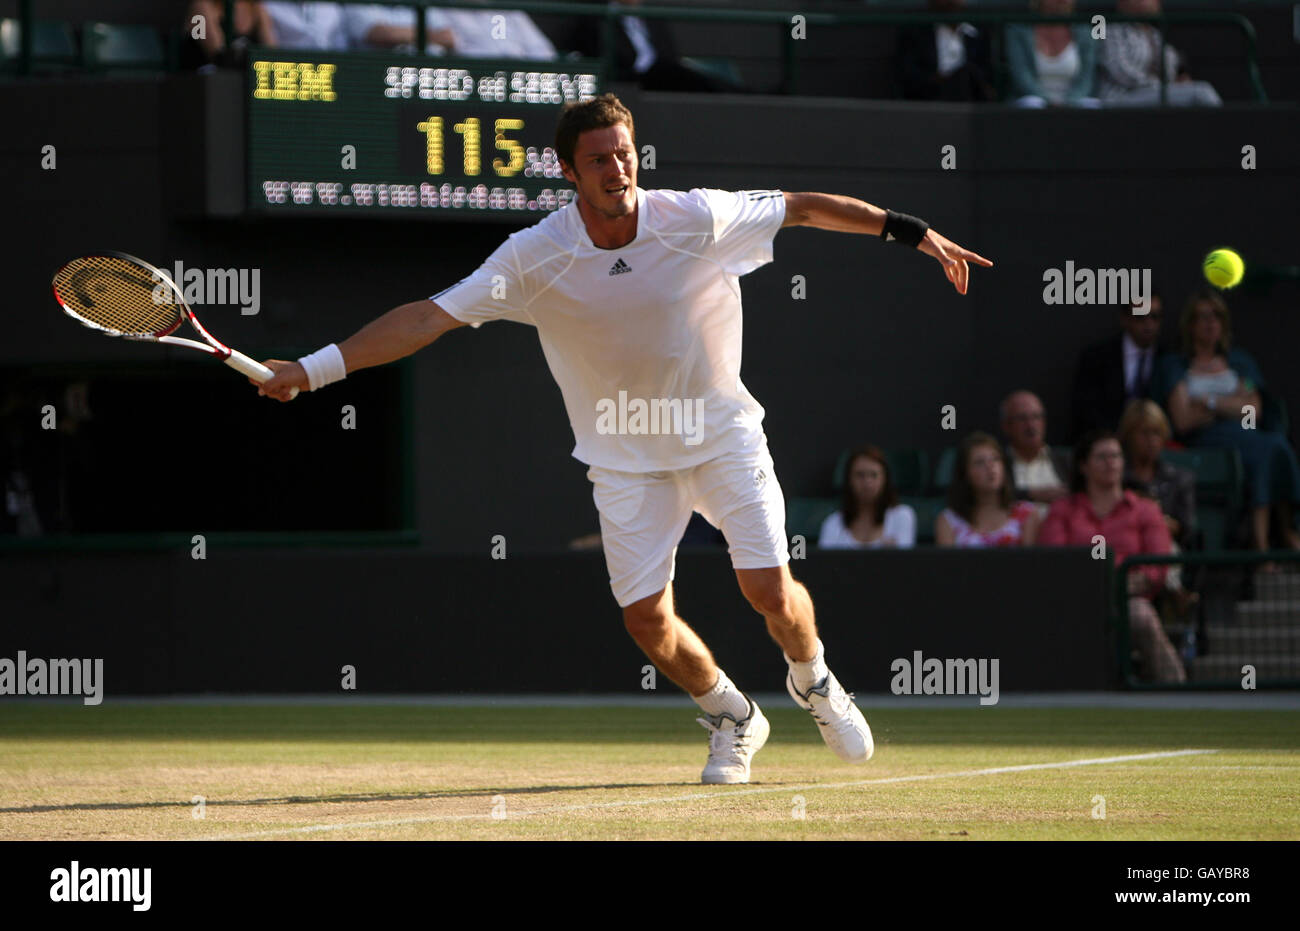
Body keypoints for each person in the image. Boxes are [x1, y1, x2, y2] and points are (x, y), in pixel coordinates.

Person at [253, 93, 993, 784]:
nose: (617, 169)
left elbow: (799, 208)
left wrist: (911, 231)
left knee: (768, 589)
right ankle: (733, 715)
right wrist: (312, 371)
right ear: (567, 171)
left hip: (721, 437)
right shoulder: (534, 255)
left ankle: (815, 679)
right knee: (647, 621)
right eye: (599, 159)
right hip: (624, 460)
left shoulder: (694, 217)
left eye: (625, 153)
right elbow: (427, 317)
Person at [1149, 290, 1300, 562]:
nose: (1211, 323)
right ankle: (1270, 544)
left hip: (1246, 434)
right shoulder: (1176, 365)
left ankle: (1276, 539)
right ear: (1190, 325)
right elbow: (1183, 420)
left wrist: (1208, 402)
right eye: (1203, 317)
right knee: (1269, 449)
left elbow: (1252, 412)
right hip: (1206, 443)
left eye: (1217, 316)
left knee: (1273, 446)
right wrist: (1233, 403)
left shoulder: (1240, 363)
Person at [1039, 430, 1185, 682]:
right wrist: (1096, 585)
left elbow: (1159, 564)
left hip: (1129, 598)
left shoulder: (1145, 509)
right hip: (1075, 599)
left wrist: (1129, 584)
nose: (1110, 463)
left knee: (1142, 616)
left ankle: (1177, 689)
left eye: (1116, 456)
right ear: (1083, 466)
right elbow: (1053, 559)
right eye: (1102, 457)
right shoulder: (1062, 510)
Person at [562, 0, 746, 93]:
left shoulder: (652, 18)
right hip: (631, 79)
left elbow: (668, 53)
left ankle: (744, 94)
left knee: (681, 73)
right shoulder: (597, 19)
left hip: (662, 75)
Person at [1071, 294, 1165, 437]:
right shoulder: (1097, 358)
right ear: (1125, 318)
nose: (1148, 323)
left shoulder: (1167, 358)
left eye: (1155, 317)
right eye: (1140, 316)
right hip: (1104, 439)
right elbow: (1086, 408)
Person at [1096, 0, 1221, 106]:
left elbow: (1170, 67)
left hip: (1153, 93)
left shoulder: (1155, 35)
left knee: (1194, 92)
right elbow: (1120, 70)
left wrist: (1177, 80)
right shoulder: (1109, 29)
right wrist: (1157, 85)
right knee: (1202, 92)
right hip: (1120, 97)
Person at [936, 432, 1040, 546]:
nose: (990, 466)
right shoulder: (948, 520)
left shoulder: (1027, 514)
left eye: (995, 459)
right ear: (965, 473)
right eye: (979, 462)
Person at [1119, 399, 1196, 550]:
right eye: (1144, 433)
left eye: (1157, 433)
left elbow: (1186, 529)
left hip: (1165, 545)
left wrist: (1156, 522)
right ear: (1129, 435)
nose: (1152, 440)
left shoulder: (1179, 479)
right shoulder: (1116, 476)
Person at [896, 0, 997, 102]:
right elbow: (910, 77)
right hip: (931, 100)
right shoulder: (915, 33)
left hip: (972, 102)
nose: (951, 2)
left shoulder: (979, 33)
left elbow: (985, 76)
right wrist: (943, 81)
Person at [1004, 0, 1100, 108]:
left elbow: (1086, 78)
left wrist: (1069, 102)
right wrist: (1048, 103)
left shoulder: (1084, 31)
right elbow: (1022, 76)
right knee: (1032, 103)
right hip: (1034, 101)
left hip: (1074, 101)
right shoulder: (1019, 30)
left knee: (1092, 105)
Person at [818, 445, 917, 549]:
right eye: (860, 475)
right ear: (849, 480)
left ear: (885, 479)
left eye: (874, 475)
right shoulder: (833, 523)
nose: (867, 483)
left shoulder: (902, 516)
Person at [1000, 390, 1070, 504]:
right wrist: (1031, 494)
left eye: (1036, 417)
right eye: (1022, 418)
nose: (1031, 425)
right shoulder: (998, 463)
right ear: (1006, 426)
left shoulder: (1067, 461)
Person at [183, 1, 275, 70]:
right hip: (204, 83)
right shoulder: (201, 5)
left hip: (245, 82)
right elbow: (220, 57)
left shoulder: (256, 8)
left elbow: (272, 55)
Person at [261, 2, 348, 50]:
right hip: (289, 70)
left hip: (329, 70)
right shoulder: (268, 7)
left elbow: (341, 46)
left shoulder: (332, 7)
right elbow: (271, 53)